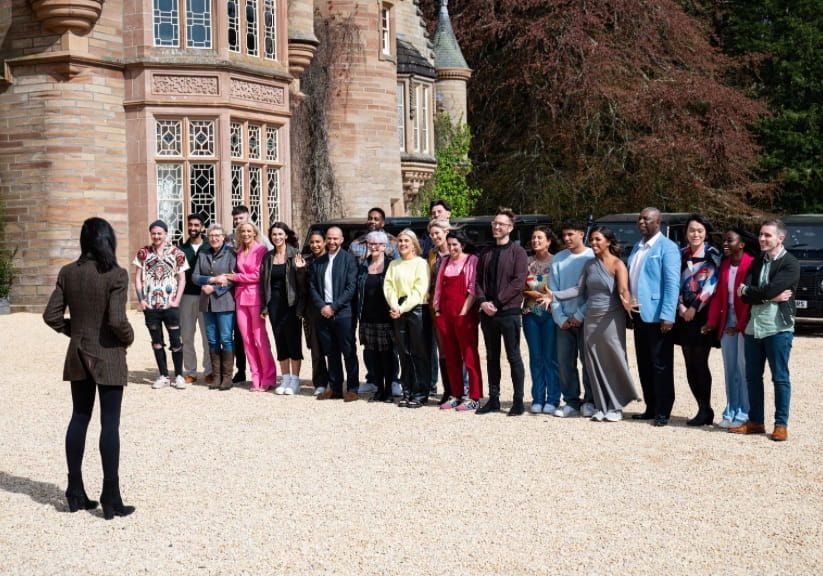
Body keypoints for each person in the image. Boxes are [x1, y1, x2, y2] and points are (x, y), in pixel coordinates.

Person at [43, 217, 135, 520]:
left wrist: (77, 331)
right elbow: (117, 322)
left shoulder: (68, 272)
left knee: (79, 418)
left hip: (78, 354)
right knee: (110, 424)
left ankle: (75, 490)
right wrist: (129, 337)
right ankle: (111, 496)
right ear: (108, 240)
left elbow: (51, 315)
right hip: (108, 354)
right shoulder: (116, 274)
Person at [554, 226, 639, 421]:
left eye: (597, 239)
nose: (593, 243)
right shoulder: (590, 265)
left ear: (608, 242)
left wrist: (627, 301)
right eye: (592, 240)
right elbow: (577, 290)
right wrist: (554, 295)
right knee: (594, 362)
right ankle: (601, 406)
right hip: (591, 318)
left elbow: (624, 290)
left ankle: (616, 407)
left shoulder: (618, 264)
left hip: (611, 317)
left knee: (614, 359)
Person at [730, 219, 800, 442]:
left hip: (778, 328)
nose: (762, 238)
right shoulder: (758, 261)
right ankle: (756, 422)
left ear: (781, 238)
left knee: (780, 378)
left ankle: (781, 425)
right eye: (761, 234)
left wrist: (760, 292)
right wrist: (769, 295)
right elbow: (743, 291)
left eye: (767, 235)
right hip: (754, 328)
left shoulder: (790, 263)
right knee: (752, 377)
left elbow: (762, 289)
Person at [627, 207, 680, 427]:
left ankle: (663, 410)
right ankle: (650, 406)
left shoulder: (667, 248)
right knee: (644, 363)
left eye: (646, 219)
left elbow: (671, 283)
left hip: (658, 316)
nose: (642, 222)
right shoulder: (637, 248)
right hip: (639, 313)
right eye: (639, 218)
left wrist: (668, 315)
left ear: (658, 222)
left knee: (661, 364)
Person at [475, 207, 529, 416]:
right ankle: (494, 399)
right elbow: (477, 280)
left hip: (508, 312)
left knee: (514, 356)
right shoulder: (486, 252)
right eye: (494, 223)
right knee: (491, 356)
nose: (496, 227)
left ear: (510, 227)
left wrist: (496, 302)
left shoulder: (518, 252)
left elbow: (518, 282)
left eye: (501, 224)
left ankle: (517, 401)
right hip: (487, 313)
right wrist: (482, 301)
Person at [701, 228, 757, 428]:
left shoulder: (751, 264)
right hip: (727, 320)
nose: (725, 243)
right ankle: (730, 410)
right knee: (729, 368)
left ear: (741, 244)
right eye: (723, 240)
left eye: (729, 240)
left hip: (745, 320)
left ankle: (743, 413)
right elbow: (718, 298)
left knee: (743, 369)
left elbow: (750, 301)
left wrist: (739, 326)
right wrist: (711, 322)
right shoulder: (724, 265)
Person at [674, 214, 721, 426]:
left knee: (700, 362)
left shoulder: (713, 254)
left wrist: (694, 307)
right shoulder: (680, 254)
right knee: (689, 362)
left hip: (702, 312)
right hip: (683, 311)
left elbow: (713, 283)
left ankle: (706, 408)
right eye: (692, 230)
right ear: (686, 232)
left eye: (700, 231)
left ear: (706, 233)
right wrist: (681, 306)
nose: (695, 234)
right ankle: (700, 406)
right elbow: (672, 281)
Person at [218, 222, 276, 392]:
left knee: (260, 339)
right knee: (247, 340)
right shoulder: (239, 250)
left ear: (254, 232)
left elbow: (259, 275)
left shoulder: (261, 250)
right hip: (240, 298)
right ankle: (255, 377)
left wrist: (236, 277)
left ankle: (269, 377)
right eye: (242, 231)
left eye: (249, 231)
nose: (245, 234)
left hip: (256, 297)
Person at [133, 219, 188, 390]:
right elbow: (137, 278)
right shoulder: (143, 253)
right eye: (154, 233)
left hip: (169, 305)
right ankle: (164, 375)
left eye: (160, 233)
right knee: (156, 341)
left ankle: (179, 375)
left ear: (165, 234)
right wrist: (141, 299)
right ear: (151, 234)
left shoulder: (176, 253)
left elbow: (182, 278)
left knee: (175, 341)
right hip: (151, 305)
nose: (156, 236)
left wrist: (177, 300)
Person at [549, 219, 596, 418]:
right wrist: (561, 318)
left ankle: (590, 401)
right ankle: (571, 401)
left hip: (586, 319)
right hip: (563, 321)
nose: (566, 238)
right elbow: (552, 291)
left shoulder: (593, 256)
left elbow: (595, 292)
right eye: (564, 235)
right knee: (565, 362)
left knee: (588, 362)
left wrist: (579, 315)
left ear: (581, 234)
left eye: (570, 234)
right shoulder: (558, 259)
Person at [433, 229, 483, 411]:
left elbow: (472, 289)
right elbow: (438, 287)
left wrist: (463, 312)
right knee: (451, 357)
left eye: (456, 244)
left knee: (469, 356)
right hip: (445, 314)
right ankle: (456, 394)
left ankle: (474, 396)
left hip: (464, 315)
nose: (452, 247)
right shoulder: (445, 261)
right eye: (450, 244)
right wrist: (437, 310)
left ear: (463, 245)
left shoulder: (471, 261)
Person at [309, 226, 361, 401]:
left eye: (335, 239)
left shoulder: (349, 260)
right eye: (329, 238)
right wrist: (323, 306)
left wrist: (334, 307)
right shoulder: (318, 262)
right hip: (324, 312)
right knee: (331, 352)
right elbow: (313, 287)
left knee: (348, 351)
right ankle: (335, 387)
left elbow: (351, 287)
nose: (332, 242)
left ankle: (353, 387)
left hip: (343, 312)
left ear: (341, 240)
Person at [384, 229, 431, 408]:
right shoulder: (394, 264)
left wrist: (402, 308)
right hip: (398, 309)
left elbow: (420, 289)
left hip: (416, 309)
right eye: (400, 241)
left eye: (406, 241)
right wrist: (395, 306)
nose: (402, 244)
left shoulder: (421, 263)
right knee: (404, 353)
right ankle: (407, 391)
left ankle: (420, 393)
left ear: (413, 244)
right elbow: (388, 286)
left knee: (419, 352)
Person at [260, 222, 305, 395]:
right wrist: (264, 307)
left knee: (293, 341)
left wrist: (300, 308)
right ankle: (285, 378)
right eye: (274, 235)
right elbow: (263, 284)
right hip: (274, 304)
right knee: (280, 340)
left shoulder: (295, 254)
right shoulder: (268, 257)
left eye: (280, 234)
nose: (277, 237)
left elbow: (303, 285)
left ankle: (295, 380)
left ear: (286, 235)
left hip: (292, 304)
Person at [192, 223, 237, 391]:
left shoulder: (231, 254)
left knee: (225, 338)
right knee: (212, 339)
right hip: (207, 303)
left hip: (225, 301)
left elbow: (233, 279)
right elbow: (195, 277)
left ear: (223, 237)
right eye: (211, 235)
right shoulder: (203, 253)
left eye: (217, 235)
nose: (214, 238)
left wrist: (216, 288)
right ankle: (216, 376)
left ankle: (227, 377)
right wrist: (211, 280)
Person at [522, 225, 561, 414]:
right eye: (533, 237)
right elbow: (519, 285)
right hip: (530, 314)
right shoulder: (526, 261)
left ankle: (553, 399)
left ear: (549, 241)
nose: (536, 241)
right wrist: (533, 293)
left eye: (540, 238)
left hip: (551, 314)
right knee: (535, 358)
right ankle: (538, 397)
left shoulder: (557, 261)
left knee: (551, 358)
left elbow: (561, 287)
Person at [356, 231, 395, 402]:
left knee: (387, 355)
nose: (374, 247)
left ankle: (389, 389)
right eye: (371, 243)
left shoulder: (391, 265)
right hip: (367, 317)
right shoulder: (363, 266)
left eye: (378, 244)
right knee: (372, 355)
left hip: (385, 317)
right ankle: (378, 388)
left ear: (385, 246)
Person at [178, 213, 213, 386]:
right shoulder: (180, 248)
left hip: (206, 296)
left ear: (202, 227)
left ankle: (209, 370)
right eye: (190, 225)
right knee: (187, 336)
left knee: (207, 336)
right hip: (186, 297)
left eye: (196, 225)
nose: (193, 228)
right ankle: (190, 371)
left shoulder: (209, 246)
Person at [297, 230, 330, 396]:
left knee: (332, 348)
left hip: (330, 308)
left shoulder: (331, 259)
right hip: (312, 310)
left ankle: (335, 380)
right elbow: (302, 289)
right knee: (316, 350)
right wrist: (301, 270)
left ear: (324, 242)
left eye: (318, 242)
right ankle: (320, 382)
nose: (315, 245)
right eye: (312, 242)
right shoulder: (306, 261)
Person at [427, 218, 453, 401]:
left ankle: (463, 389)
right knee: (443, 350)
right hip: (436, 308)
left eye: (437, 233)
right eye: (432, 234)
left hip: (455, 306)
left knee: (458, 349)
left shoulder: (456, 250)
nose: (435, 237)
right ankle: (448, 390)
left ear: (446, 232)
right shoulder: (432, 254)